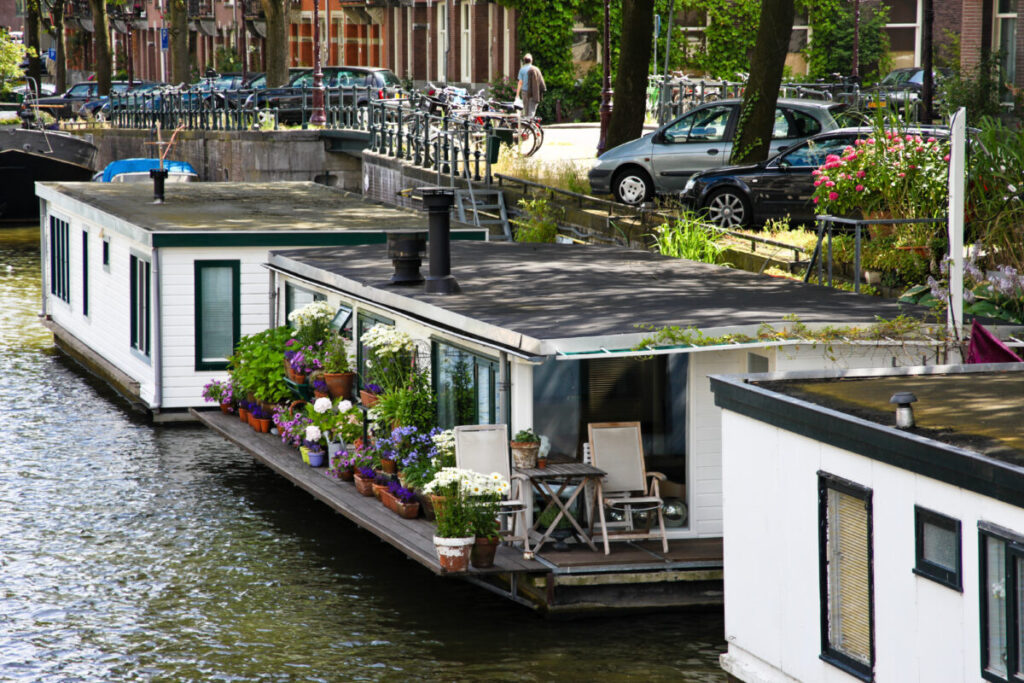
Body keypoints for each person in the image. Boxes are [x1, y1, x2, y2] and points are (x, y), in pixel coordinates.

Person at [515, 53, 546, 118]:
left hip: (525, 92)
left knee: (526, 110)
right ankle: (530, 124)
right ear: (531, 60)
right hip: (534, 92)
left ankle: (526, 125)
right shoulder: (536, 69)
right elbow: (541, 82)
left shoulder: (522, 70)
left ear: (524, 61)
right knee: (532, 110)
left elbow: (520, 82)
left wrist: (517, 94)